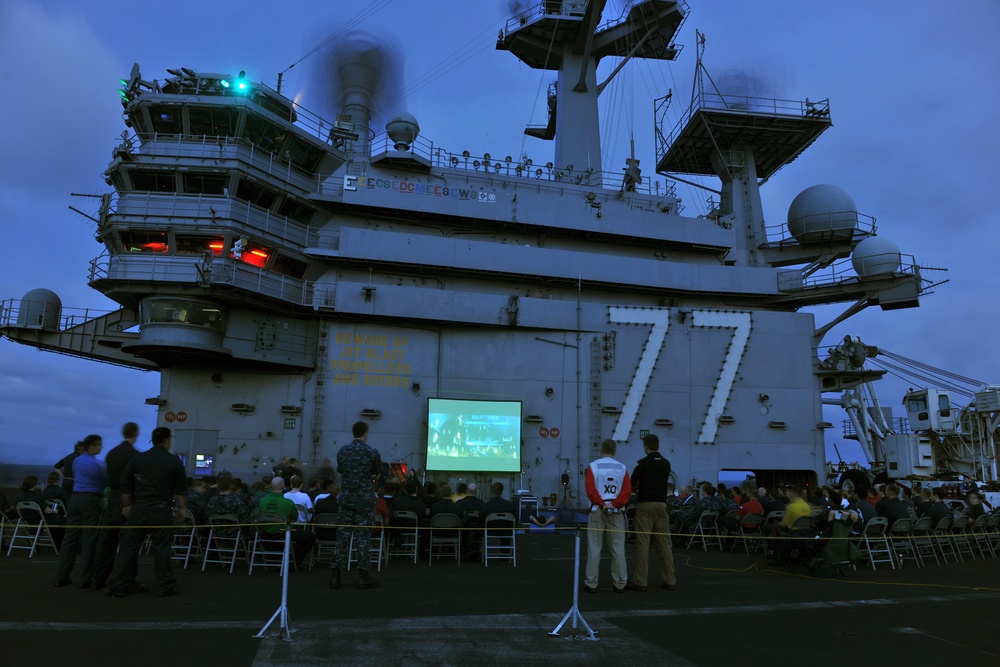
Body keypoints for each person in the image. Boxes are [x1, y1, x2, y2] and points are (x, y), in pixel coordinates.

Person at [106, 427, 186, 598]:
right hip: (161, 509)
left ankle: (119, 584)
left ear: (153, 439)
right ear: (167, 440)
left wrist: (127, 505)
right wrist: (181, 508)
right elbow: (181, 488)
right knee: (161, 549)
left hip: (139, 509)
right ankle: (166, 585)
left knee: (129, 548)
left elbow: (125, 484)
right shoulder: (174, 461)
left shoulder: (138, 459)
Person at [330, 421, 382, 590]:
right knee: (363, 539)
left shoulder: (343, 451)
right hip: (365, 500)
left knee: (342, 538)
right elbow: (376, 472)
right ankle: (363, 577)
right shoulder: (372, 452)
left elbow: (341, 470)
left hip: (345, 499)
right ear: (365, 433)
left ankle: (335, 576)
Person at [54, 435, 107, 588]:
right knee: (89, 540)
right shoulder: (96, 464)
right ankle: (85, 579)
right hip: (90, 500)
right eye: (99, 445)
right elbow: (103, 481)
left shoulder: (77, 461)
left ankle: (61, 576)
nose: (101, 447)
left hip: (74, 499)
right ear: (92, 446)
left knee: (70, 539)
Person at [92, 422, 140, 590]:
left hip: (112, 498)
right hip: (127, 500)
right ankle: (125, 580)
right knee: (128, 543)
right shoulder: (135, 455)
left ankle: (99, 578)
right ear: (135, 433)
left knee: (106, 542)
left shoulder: (111, 454)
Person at [625, 434, 676, 592]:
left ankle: (640, 581)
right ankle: (670, 579)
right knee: (664, 544)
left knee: (643, 543)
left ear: (646, 446)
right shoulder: (667, 464)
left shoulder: (641, 464)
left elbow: (632, 485)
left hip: (645, 505)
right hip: (662, 505)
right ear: (658, 445)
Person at [583, 439, 631, 594]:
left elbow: (590, 490)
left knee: (594, 548)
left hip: (598, 510)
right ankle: (620, 583)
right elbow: (626, 492)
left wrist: (603, 504)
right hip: (616, 513)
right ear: (615, 451)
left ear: (601, 450)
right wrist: (614, 504)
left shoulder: (593, 466)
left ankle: (591, 583)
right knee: (617, 548)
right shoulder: (622, 468)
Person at [258, 476, 316, 569]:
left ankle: (275, 558)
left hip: (265, 533)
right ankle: (293, 563)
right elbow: (295, 518)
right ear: (283, 486)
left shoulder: (262, 501)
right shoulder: (288, 503)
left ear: (271, 486)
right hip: (282, 533)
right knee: (310, 537)